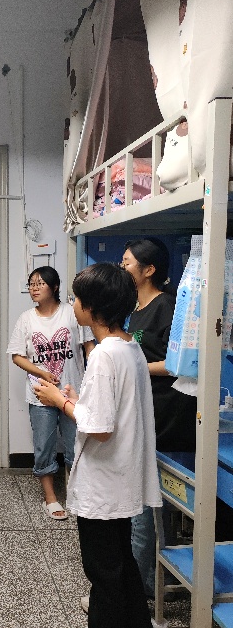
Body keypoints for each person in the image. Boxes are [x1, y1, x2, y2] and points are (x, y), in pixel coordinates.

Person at [35, 263, 167, 628]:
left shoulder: (104, 356)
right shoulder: (128, 348)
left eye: (76, 298)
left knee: (104, 577)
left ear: (91, 307)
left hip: (104, 488)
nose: (73, 304)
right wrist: (80, 399)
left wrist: (58, 400)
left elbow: (101, 427)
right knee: (123, 566)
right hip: (123, 483)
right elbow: (110, 409)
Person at [122, 238, 196, 597]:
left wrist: (132, 366)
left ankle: (142, 589)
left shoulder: (166, 306)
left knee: (150, 506)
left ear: (149, 270)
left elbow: (175, 363)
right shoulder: (135, 308)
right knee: (146, 508)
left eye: (127, 263)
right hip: (142, 412)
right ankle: (149, 580)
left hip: (165, 417)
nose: (122, 268)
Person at [7, 266, 95, 519]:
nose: (34, 288)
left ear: (54, 287)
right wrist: (42, 373)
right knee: (43, 446)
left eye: (40, 283)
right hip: (40, 394)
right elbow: (17, 356)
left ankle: (78, 495)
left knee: (76, 446)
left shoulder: (72, 313)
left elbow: (89, 346)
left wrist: (92, 378)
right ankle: (50, 498)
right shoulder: (26, 319)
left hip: (72, 393)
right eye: (31, 284)